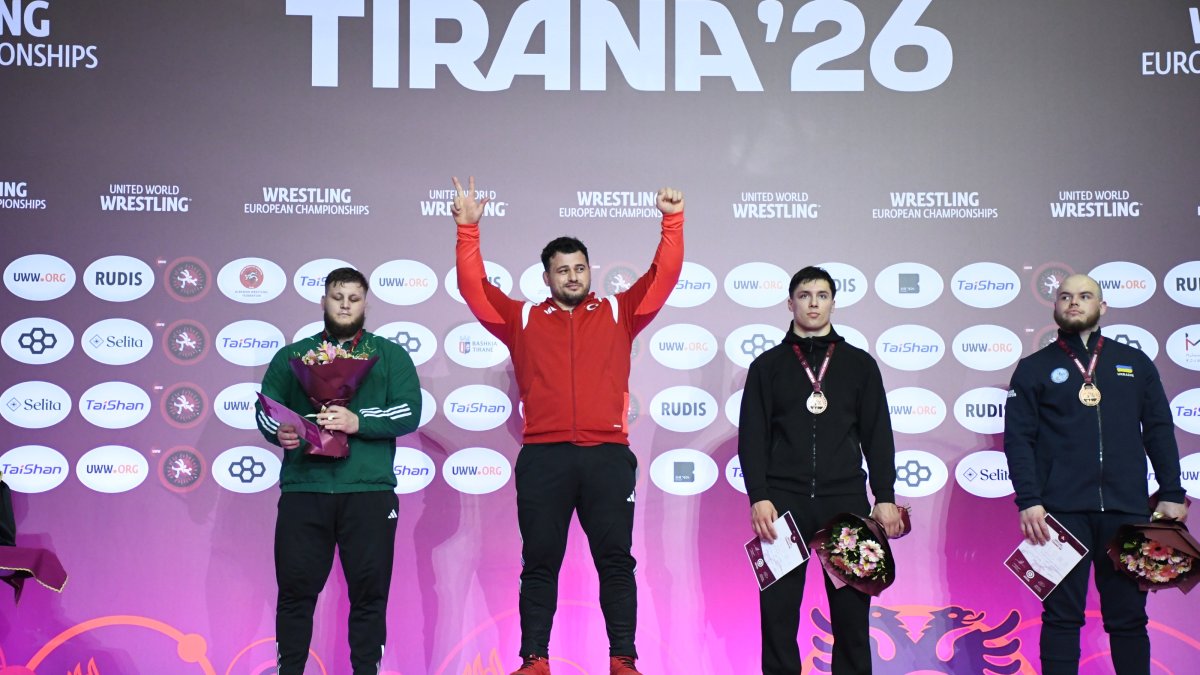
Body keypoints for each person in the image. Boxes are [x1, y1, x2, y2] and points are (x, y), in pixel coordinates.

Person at [451, 176, 684, 675]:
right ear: (547, 277)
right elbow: (475, 289)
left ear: (588, 272)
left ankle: (623, 659)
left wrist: (672, 221)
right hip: (544, 457)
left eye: (579, 268)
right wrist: (468, 231)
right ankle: (535, 660)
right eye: (563, 270)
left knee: (616, 562)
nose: (573, 277)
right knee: (540, 564)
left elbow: (662, 277)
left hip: (606, 457)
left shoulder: (619, 311)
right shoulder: (524, 318)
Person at [1004, 273, 1187, 675]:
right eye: (1066, 296)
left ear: (1101, 308)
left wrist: (1172, 490)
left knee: (1128, 619)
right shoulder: (1034, 368)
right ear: (1055, 307)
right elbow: (1019, 441)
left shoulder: (1134, 363)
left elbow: (1158, 429)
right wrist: (1029, 500)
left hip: (1126, 509)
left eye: (1085, 296)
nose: (1074, 302)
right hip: (1059, 513)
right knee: (1061, 618)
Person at [255, 267, 422, 675]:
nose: (345, 305)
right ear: (324, 301)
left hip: (367, 493)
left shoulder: (389, 355)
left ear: (366, 303)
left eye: (354, 298)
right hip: (304, 491)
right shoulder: (293, 356)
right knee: (295, 593)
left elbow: (409, 412)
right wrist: (284, 433)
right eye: (337, 296)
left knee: (369, 596)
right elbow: (266, 410)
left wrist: (357, 421)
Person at [738, 265, 903, 675]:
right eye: (805, 295)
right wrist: (759, 495)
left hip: (845, 503)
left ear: (833, 302)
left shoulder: (859, 365)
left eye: (822, 295)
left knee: (851, 620)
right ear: (790, 303)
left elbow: (878, 436)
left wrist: (884, 497)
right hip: (782, 504)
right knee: (777, 618)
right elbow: (753, 438)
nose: (813, 302)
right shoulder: (768, 366)